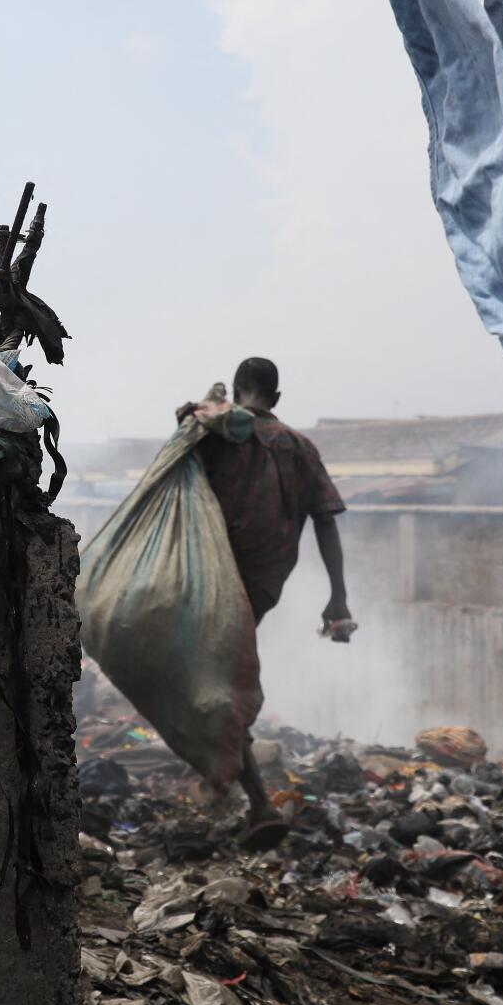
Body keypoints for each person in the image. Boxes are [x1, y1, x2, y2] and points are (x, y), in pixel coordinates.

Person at [176, 357, 354, 848]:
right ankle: (230, 782)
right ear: (276, 398)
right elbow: (325, 521)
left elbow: (174, 485)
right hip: (263, 586)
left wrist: (189, 422)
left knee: (216, 683)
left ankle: (258, 803)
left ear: (236, 392)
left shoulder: (214, 432)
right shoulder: (301, 448)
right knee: (220, 675)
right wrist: (337, 596)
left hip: (212, 577)